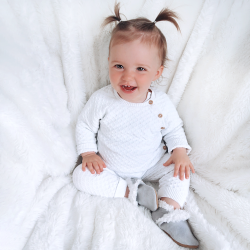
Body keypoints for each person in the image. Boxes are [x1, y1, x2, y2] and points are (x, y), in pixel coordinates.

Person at [73, 3, 199, 248]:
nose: (127, 77)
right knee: (80, 176)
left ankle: (168, 210)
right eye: (119, 66)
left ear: (157, 72)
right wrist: (88, 153)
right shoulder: (102, 100)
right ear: (109, 61)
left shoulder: (160, 102)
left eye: (140, 69)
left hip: (152, 163)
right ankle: (132, 192)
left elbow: (173, 129)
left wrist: (179, 151)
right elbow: (85, 126)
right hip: (112, 167)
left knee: (180, 171)